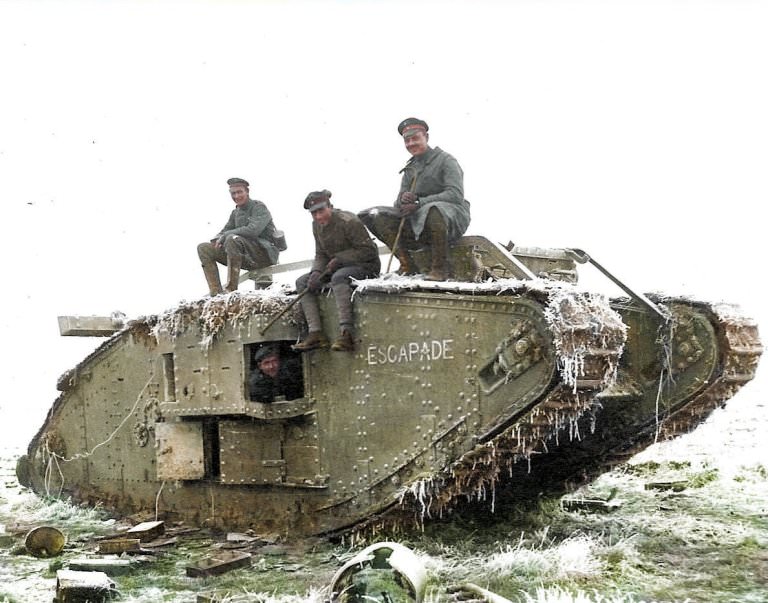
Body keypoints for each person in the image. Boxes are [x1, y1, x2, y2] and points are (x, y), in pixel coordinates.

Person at [359, 117, 471, 281]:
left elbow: (455, 195)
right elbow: (398, 204)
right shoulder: (410, 168)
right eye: (407, 140)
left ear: (426, 137)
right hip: (418, 219)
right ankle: (407, 264)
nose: (411, 143)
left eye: (415, 138)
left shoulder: (446, 160)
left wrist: (419, 202)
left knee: (434, 210)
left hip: (450, 217)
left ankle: (440, 268)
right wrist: (403, 200)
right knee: (374, 215)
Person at [293, 190, 380, 352]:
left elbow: (368, 251)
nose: (318, 217)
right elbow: (320, 253)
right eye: (314, 213)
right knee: (302, 282)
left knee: (339, 278)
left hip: (365, 266)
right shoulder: (316, 226)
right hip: (337, 266)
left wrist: (340, 259)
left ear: (330, 207)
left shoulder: (349, 221)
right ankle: (316, 334)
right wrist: (316, 273)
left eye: (321, 211)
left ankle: (346, 334)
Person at [197, 177, 282, 295]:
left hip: (263, 254)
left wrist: (227, 235)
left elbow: (253, 230)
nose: (236, 196)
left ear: (247, 192)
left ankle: (231, 290)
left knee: (232, 239)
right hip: (244, 254)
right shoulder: (236, 213)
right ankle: (215, 292)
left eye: (239, 192)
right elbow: (226, 230)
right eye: (233, 193)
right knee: (204, 248)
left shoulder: (258, 207)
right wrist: (217, 239)